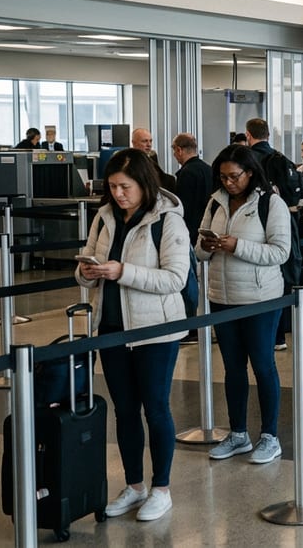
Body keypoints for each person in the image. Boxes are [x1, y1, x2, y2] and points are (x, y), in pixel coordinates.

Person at [75, 148, 188, 522]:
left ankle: (161, 488)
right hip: (111, 327)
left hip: (155, 329)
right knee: (124, 411)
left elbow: (175, 278)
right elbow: (87, 258)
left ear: (143, 184)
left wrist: (123, 272)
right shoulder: (105, 217)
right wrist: (87, 272)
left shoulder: (168, 220)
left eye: (125, 186)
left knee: (155, 408)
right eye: (113, 187)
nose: (119, 194)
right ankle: (134, 484)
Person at [197, 145, 290, 464]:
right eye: (222, 177)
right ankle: (238, 434)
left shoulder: (270, 203)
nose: (228, 182)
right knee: (233, 368)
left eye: (234, 176)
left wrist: (238, 246)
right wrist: (208, 246)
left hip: (260, 298)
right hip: (222, 296)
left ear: (250, 173)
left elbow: (280, 252)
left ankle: (270, 436)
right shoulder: (215, 202)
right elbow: (198, 250)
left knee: (263, 365)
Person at [244, 118, 302, 206]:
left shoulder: (247, 159)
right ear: (268, 136)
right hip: (284, 210)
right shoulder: (280, 157)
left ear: (248, 135)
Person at [171, 133, 213, 246]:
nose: (174, 155)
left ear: (179, 150)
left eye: (174, 151)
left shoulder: (186, 173)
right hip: (208, 226)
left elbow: (183, 206)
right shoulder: (209, 169)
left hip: (191, 230)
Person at [131, 128, 178, 193]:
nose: (149, 145)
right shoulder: (129, 160)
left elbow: (159, 175)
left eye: (150, 141)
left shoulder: (152, 156)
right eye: (144, 141)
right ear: (134, 143)